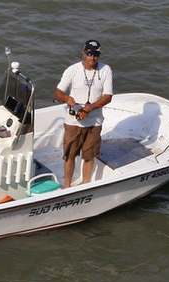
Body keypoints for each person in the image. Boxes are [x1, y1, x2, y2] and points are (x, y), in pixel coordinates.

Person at [54, 40, 113, 188]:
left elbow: (108, 96)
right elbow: (58, 92)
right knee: (70, 156)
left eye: (96, 55)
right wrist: (68, 99)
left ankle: (86, 185)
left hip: (94, 122)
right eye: (89, 54)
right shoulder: (72, 70)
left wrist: (89, 109)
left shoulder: (106, 70)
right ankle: (67, 186)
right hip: (73, 122)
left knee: (89, 156)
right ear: (83, 53)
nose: (92, 58)